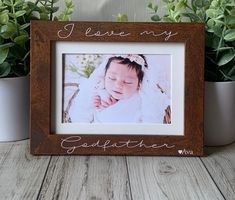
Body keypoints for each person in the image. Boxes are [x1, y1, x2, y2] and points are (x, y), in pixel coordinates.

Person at [69, 54, 170, 123]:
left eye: (127, 82)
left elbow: (151, 120)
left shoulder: (142, 98)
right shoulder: (99, 92)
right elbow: (82, 114)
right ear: (104, 75)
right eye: (112, 78)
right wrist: (95, 104)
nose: (118, 85)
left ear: (139, 84)